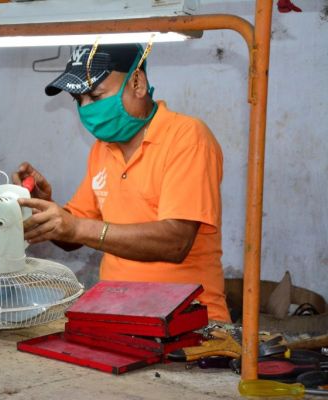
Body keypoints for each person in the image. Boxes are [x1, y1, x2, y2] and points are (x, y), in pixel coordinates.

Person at [13, 43, 230, 322]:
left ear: (137, 82)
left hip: (188, 322)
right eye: (78, 100)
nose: (86, 109)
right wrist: (46, 209)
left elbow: (176, 242)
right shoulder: (102, 149)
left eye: (95, 95)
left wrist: (77, 227)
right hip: (118, 316)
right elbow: (75, 233)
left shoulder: (186, 137)